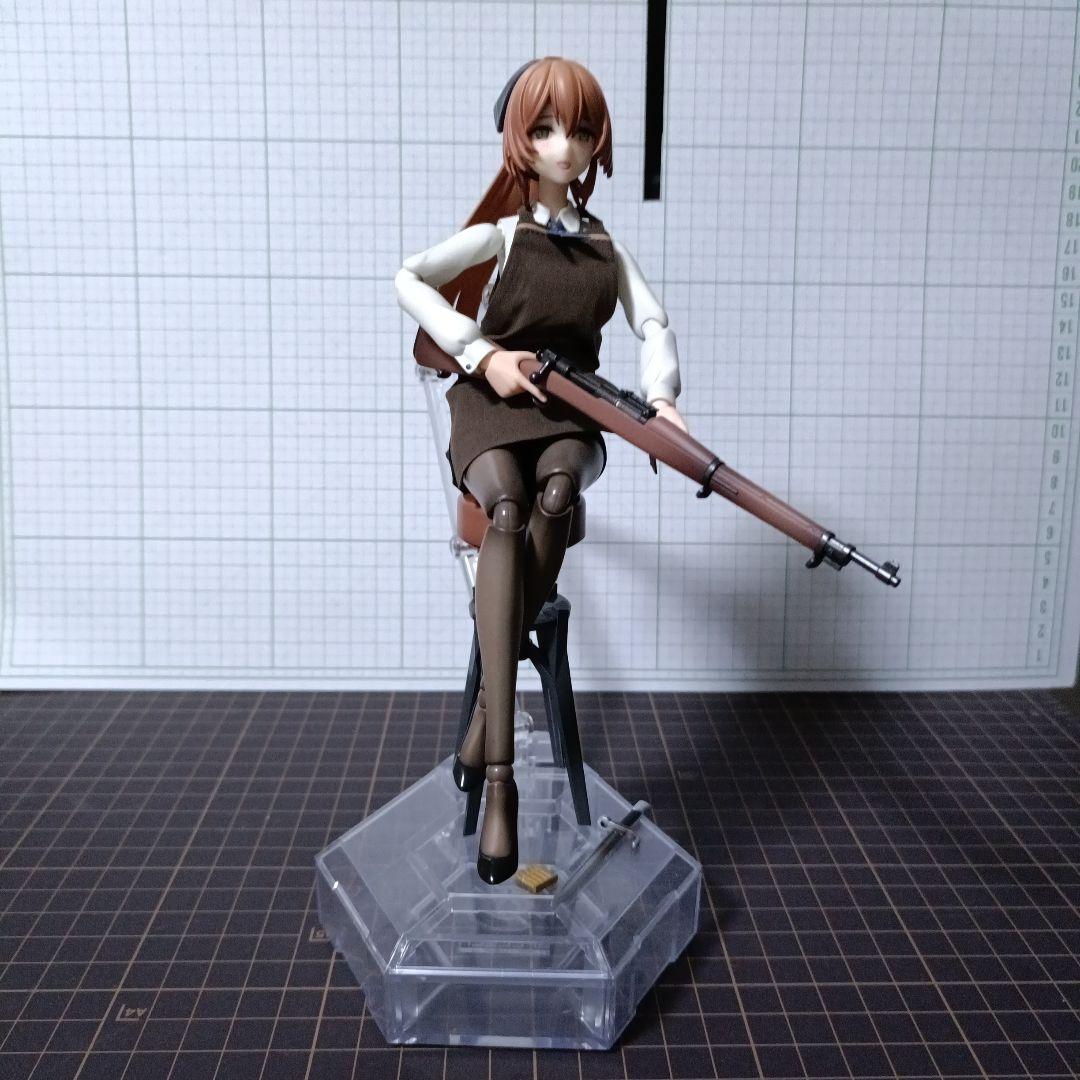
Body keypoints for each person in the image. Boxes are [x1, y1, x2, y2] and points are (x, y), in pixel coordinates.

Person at [395, 57, 686, 884]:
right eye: (547, 128)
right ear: (519, 139)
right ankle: (500, 782)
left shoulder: (604, 248)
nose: (566, 146)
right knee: (508, 507)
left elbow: (653, 321)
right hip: (492, 402)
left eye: (581, 130)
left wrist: (662, 399)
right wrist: (479, 353)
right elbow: (408, 277)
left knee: (556, 489)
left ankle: (488, 714)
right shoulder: (502, 235)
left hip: (572, 410)